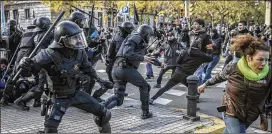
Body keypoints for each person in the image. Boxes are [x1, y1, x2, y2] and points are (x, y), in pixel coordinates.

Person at [17, 21, 111, 133]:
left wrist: (100, 80)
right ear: (63, 40)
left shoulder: (79, 53)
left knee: (104, 114)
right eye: (74, 38)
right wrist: (23, 64)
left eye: (78, 37)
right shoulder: (47, 54)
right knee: (50, 130)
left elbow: (88, 69)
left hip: (75, 93)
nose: (78, 40)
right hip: (56, 98)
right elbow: (27, 72)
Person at [198, 35, 271, 133]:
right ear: (249, 58)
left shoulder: (269, 73)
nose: (264, 63)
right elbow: (219, 77)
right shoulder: (234, 68)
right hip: (231, 111)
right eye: (260, 59)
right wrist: (205, 84)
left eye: (266, 60)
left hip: (251, 115)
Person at [149, 18, 212, 104]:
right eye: (194, 24)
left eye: (197, 24)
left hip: (194, 60)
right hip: (192, 59)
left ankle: (194, 100)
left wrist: (205, 55)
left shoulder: (205, 36)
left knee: (194, 81)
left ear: (201, 25)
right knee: (193, 85)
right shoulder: (190, 34)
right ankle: (194, 101)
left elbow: (209, 49)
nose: (195, 26)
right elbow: (184, 43)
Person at [101, 24, 154, 119]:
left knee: (119, 98)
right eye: (149, 35)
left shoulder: (135, 38)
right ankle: (145, 113)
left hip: (117, 69)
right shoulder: (136, 37)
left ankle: (101, 109)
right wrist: (142, 58)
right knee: (145, 86)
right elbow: (127, 52)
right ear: (146, 33)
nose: (149, 37)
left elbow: (136, 53)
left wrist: (155, 61)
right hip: (125, 69)